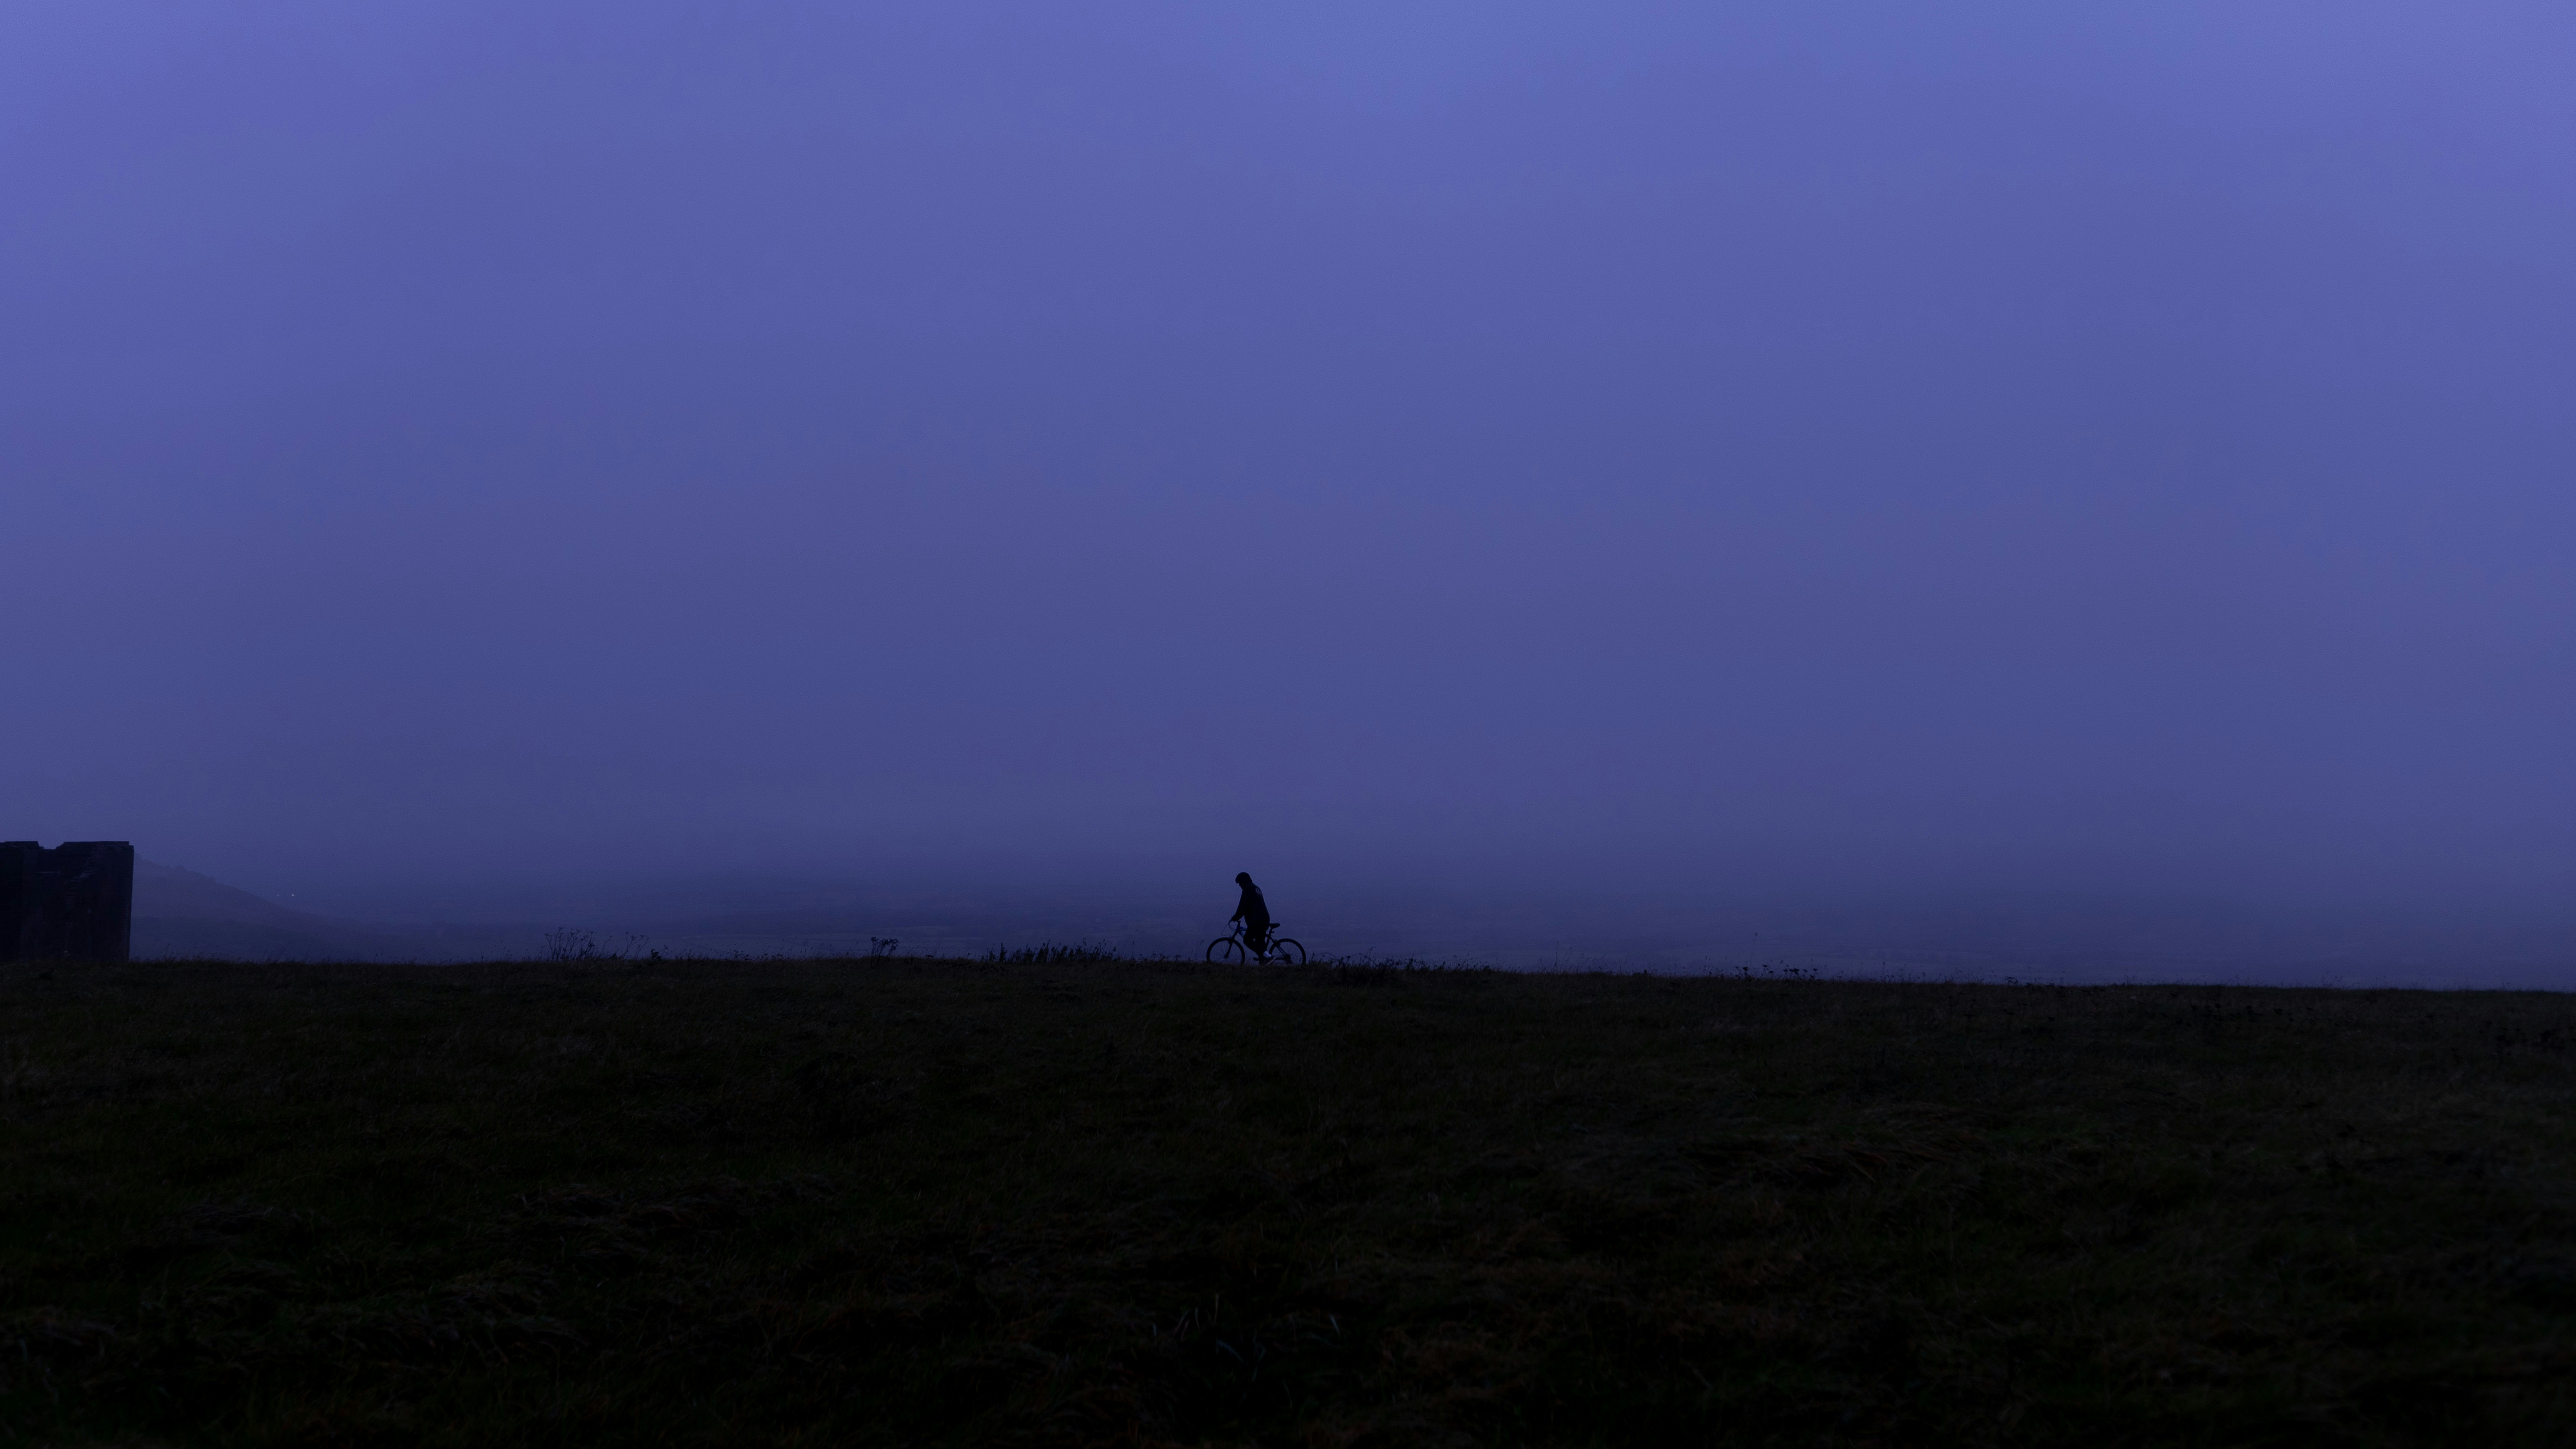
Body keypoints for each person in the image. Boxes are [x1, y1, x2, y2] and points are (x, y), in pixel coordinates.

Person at [1230, 872, 1272, 952]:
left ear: (1243, 881)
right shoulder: (1256, 888)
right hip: (1264, 918)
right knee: (1260, 942)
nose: (1240, 886)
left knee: (1247, 940)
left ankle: (1268, 957)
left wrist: (1236, 917)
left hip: (1256, 920)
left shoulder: (1248, 889)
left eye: (1240, 883)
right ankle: (1265, 959)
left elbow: (1243, 906)